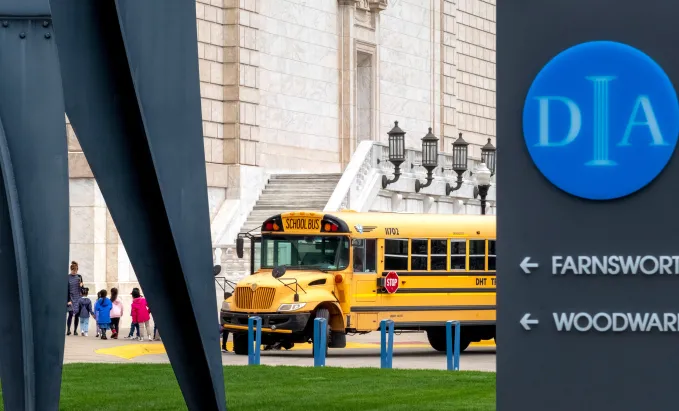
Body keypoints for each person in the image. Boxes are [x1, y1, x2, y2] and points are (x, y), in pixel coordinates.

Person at [66, 261, 83, 336]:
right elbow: (66, 289)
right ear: (71, 270)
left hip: (78, 298)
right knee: (70, 314)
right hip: (70, 298)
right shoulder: (67, 277)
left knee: (77, 315)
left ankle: (75, 330)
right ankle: (68, 329)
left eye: (75, 271)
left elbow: (82, 289)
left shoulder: (79, 277)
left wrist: (82, 285)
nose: (74, 272)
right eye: (73, 271)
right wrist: (68, 300)